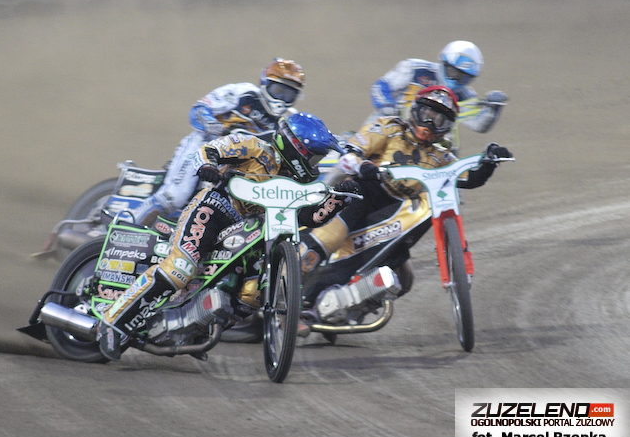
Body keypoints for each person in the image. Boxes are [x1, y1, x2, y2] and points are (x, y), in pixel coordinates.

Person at [96, 112, 359, 360]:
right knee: (180, 268)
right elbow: (210, 150)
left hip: (252, 231)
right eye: (314, 157)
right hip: (214, 209)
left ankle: (193, 327)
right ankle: (112, 321)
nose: (315, 164)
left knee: (253, 293)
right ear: (296, 148)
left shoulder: (299, 182)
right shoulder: (255, 147)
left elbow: (309, 217)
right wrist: (209, 166)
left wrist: (338, 200)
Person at [298, 86, 512, 322]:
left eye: (439, 119)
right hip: (363, 193)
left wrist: (489, 162)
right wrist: (364, 166)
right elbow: (351, 151)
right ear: (416, 111)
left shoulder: (441, 157)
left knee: (404, 279)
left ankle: (344, 309)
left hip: (397, 212)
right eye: (428, 114)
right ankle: (290, 281)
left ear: (447, 126)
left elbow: (468, 179)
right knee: (331, 235)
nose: (430, 122)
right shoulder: (389, 127)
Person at [129, 58, 306, 225]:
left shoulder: (289, 120)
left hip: (242, 165)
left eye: (289, 94)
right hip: (206, 147)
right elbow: (199, 109)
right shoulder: (242, 93)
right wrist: (214, 126)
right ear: (265, 84)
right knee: (175, 196)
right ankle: (125, 226)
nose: (283, 99)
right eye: (279, 91)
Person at [365, 40, 508, 152]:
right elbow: (381, 86)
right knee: (365, 142)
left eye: (463, 77)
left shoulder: (465, 95)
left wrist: (493, 109)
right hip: (395, 128)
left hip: (430, 143)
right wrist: (387, 106)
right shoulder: (415, 69)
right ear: (444, 63)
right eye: (454, 72)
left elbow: (478, 125)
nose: (456, 79)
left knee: (451, 155)